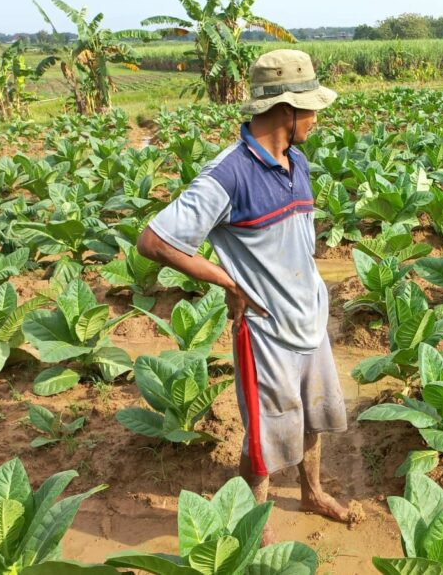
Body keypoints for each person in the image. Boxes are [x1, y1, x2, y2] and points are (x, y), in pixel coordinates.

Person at [137, 49, 351, 543]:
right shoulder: (228, 174)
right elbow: (154, 241)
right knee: (266, 435)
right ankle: (254, 524)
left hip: (309, 319)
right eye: (311, 109)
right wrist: (230, 282)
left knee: (312, 413)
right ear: (286, 109)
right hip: (266, 332)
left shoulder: (296, 161)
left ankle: (312, 492)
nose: (316, 120)